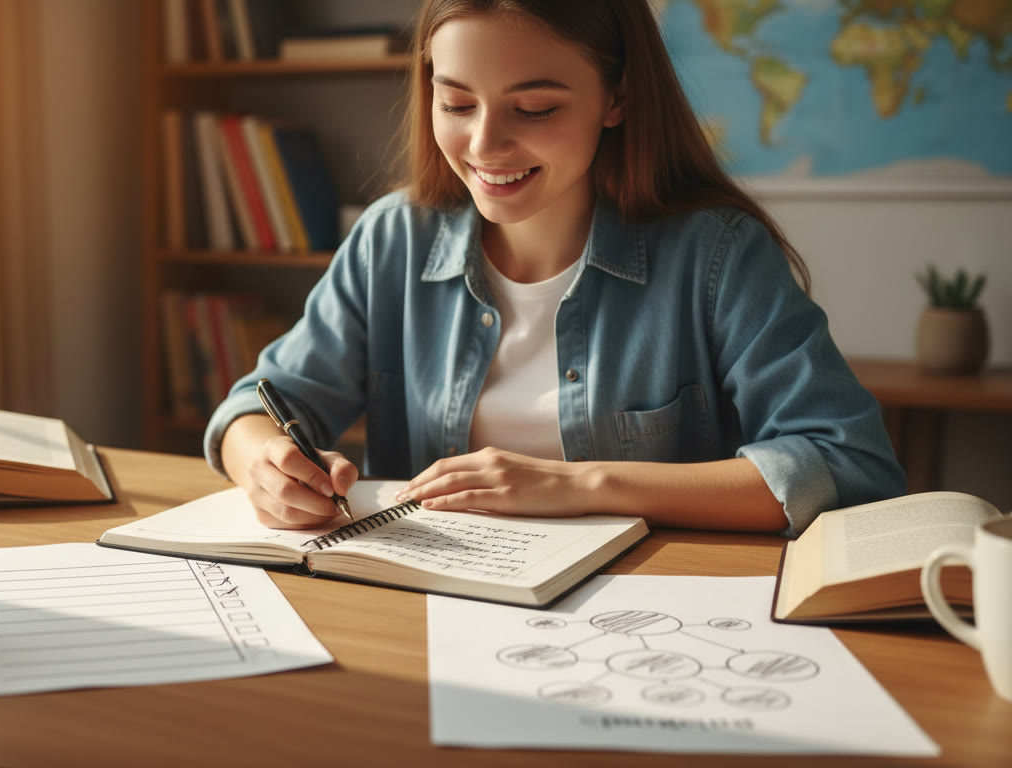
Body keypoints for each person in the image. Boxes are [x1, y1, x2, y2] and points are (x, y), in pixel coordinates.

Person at [203, 0, 905, 536]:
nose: (485, 144)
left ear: (618, 97)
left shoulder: (716, 256)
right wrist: (263, 464)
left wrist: (582, 485)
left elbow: (849, 464)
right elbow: (255, 407)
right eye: (455, 102)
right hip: (428, 609)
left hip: (646, 625)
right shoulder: (393, 239)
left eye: (533, 107)